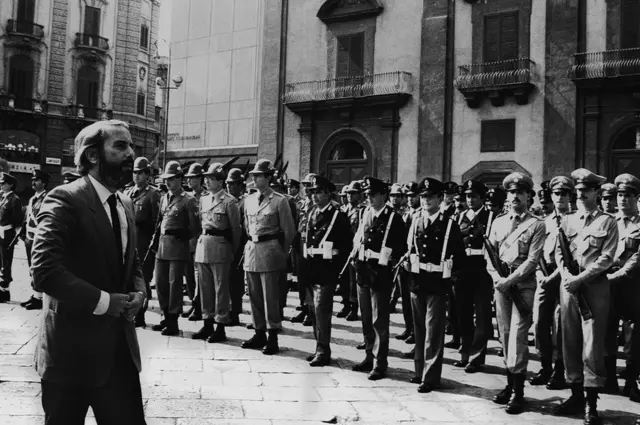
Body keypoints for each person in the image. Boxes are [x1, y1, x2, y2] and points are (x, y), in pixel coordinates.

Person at [31, 120, 147, 424]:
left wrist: (139, 291)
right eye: (121, 146)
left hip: (119, 355)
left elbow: (130, 260)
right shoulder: (65, 198)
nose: (131, 153)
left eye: (131, 145)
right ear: (93, 155)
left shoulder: (125, 201)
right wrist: (106, 302)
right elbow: (44, 271)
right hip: (71, 356)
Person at [552, 168, 618, 425]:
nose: (580, 194)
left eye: (586, 190)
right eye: (578, 190)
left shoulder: (607, 222)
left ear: (596, 192)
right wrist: (567, 276)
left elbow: (607, 257)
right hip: (569, 288)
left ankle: (591, 403)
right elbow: (559, 252)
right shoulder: (566, 220)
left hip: (594, 289)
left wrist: (580, 278)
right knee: (569, 341)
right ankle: (575, 394)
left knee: (591, 346)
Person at [487, 172, 545, 415]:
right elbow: (489, 254)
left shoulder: (537, 224)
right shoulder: (498, 222)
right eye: (511, 193)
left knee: (518, 338)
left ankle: (519, 393)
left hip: (523, 287)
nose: (515, 197)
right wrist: (497, 279)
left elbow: (532, 260)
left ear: (529, 197)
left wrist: (509, 280)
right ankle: (509, 385)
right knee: (504, 334)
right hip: (502, 286)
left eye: (520, 193)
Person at [403, 177, 465, 392]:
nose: (425, 200)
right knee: (419, 330)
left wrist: (450, 276)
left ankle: (430, 377)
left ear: (440, 198)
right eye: (423, 196)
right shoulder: (415, 221)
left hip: (438, 284)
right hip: (417, 282)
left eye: (430, 196)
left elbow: (460, 258)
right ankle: (419, 371)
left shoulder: (449, 225)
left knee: (433, 331)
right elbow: (409, 249)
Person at [352, 176, 406, 380]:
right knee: (365, 317)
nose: (369, 198)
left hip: (380, 272)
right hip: (363, 270)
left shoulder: (394, 218)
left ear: (383, 195)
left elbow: (402, 247)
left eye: (372, 194)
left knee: (379, 320)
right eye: (367, 194)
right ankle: (368, 355)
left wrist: (389, 255)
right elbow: (358, 237)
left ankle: (380, 362)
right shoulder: (364, 213)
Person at [241, 159, 295, 355]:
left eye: (258, 175)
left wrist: (280, 253)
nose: (254, 179)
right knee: (254, 296)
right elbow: (247, 227)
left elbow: (289, 232)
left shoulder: (280, 201)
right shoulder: (248, 200)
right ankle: (259, 332)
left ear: (269, 177)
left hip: (271, 252)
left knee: (271, 297)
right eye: (253, 175)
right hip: (252, 250)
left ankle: (273, 335)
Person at [303, 175, 352, 366]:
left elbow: (346, 245)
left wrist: (335, 259)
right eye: (312, 192)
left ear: (328, 193)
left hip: (327, 269)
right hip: (312, 268)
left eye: (318, 192)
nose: (314, 196)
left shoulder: (338, 216)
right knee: (313, 311)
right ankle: (318, 347)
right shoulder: (312, 213)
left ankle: (323, 351)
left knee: (322, 310)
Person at [192, 163, 242, 342]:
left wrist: (232, 252)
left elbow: (236, 230)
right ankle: (207, 322)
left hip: (221, 248)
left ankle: (220, 325)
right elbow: (200, 223)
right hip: (203, 246)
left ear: (220, 181)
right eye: (206, 178)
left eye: (210, 178)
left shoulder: (230, 202)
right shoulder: (204, 199)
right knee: (205, 288)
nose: (206, 180)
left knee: (221, 289)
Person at [530, 176, 572, 390]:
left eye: (564, 194)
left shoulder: (574, 221)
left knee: (560, 327)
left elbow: (571, 256)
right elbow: (535, 251)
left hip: (563, 279)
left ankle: (559, 370)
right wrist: (539, 274)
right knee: (539, 323)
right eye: (556, 194)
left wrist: (553, 276)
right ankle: (544, 365)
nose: (560, 198)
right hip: (543, 278)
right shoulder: (544, 222)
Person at [150, 161, 200, 336]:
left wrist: (183, 235)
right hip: (163, 246)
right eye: (166, 179)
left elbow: (196, 227)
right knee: (161, 284)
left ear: (180, 178)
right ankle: (165, 315)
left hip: (178, 247)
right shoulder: (165, 197)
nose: (168, 182)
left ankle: (173, 320)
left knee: (175, 285)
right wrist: (155, 242)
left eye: (171, 179)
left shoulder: (188, 200)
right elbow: (159, 221)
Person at [604, 173, 640, 402]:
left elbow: (637, 258)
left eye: (628, 195)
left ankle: (631, 380)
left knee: (633, 334)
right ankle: (609, 378)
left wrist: (617, 275)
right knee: (607, 329)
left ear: (637, 198)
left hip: (633, 286)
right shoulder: (609, 222)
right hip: (608, 286)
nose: (623, 199)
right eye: (620, 195)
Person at [454, 179, 495, 373]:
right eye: (468, 196)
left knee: (482, 315)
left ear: (482, 198)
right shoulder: (460, 216)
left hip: (482, 269)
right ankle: (465, 353)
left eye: (474, 196)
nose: (470, 200)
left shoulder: (492, 217)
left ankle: (477, 358)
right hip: (463, 269)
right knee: (463, 314)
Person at [123, 157, 160, 327]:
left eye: (140, 173)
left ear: (147, 175)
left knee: (142, 280)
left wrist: (153, 247)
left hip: (144, 243)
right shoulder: (127, 192)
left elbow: (156, 222)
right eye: (135, 172)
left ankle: (140, 314)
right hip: (129, 242)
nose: (136, 176)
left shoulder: (153, 194)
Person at [19, 169, 50, 309]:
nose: (33, 182)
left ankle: (39, 298)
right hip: (29, 238)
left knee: (39, 267)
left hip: (39, 238)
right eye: (33, 179)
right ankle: (35, 295)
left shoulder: (47, 198)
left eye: (36, 180)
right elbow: (27, 218)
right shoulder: (33, 199)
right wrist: (23, 232)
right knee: (32, 267)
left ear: (43, 183)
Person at [182, 162, 208, 321]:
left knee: (200, 278)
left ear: (200, 179)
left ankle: (199, 306)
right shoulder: (187, 197)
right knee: (189, 276)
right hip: (188, 242)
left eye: (193, 178)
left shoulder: (206, 197)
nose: (190, 181)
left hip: (200, 241)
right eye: (189, 178)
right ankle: (193, 303)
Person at [226, 167, 247, 326]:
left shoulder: (245, 202)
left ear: (240, 185)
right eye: (228, 183)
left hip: (240, 245)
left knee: (236, 281)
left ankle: (235, 312)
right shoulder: (225, 200)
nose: (229, 186)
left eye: (233, 184)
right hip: (225, 244)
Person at [0, 172, 23, 303]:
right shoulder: (2, 197)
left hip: (7, 233)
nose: (1, 185)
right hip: (0, 231)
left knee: (6, 262)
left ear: (11, 185)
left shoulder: (15, 199)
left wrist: (16, 234)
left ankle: (4, 290)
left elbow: (17, 220)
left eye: (4, 183)